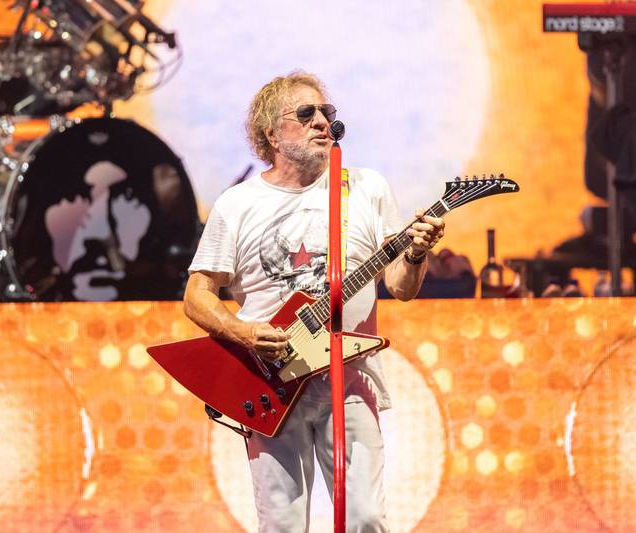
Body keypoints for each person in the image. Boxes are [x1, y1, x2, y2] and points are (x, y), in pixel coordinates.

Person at [183, 71, 445, 533]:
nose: (321, 121)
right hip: (270, 383)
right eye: (305, 114)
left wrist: (417, 253)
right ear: (271, 133)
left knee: (365, 518)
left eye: (328, 112)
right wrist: (243, 332)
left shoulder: (365, 189)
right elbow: (197, 295)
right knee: (282, 526)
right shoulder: (238, 204)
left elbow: (401, 287)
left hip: (348, 378)